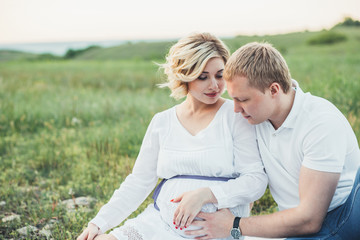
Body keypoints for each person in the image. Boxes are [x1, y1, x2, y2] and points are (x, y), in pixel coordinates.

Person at [77, 33, 267, 240]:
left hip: (215, 232)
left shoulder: (236, 115)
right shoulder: (162, 121)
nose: (214, 85)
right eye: (202, 77)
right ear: (184, 76)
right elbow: (140, 181)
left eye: (220, 75)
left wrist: (206, 194)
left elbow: (255, 180)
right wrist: (99, 223)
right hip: (159, 225)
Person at [184, 42, 360, 240]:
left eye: (243, 100)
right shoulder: (257, 117)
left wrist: (233, 225)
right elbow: (247, 172)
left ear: (274, 90)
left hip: (340, 219)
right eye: (233, 99)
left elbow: (310, 219)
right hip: (293, 222)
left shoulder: (320, 123)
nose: (236, 109)